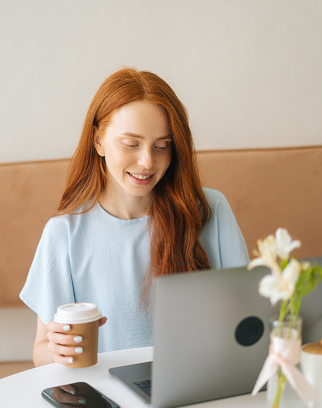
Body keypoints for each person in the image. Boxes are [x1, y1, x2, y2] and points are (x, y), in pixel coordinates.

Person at [20, 67, 249, 367]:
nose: (147, 162)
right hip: (109, 402)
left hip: (197, 395)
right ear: (98, 141)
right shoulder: (63, 234)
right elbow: (41, 351)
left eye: (162, 146)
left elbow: (250, 317)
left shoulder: (209, 211)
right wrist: (58, 349)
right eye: (130, 144)